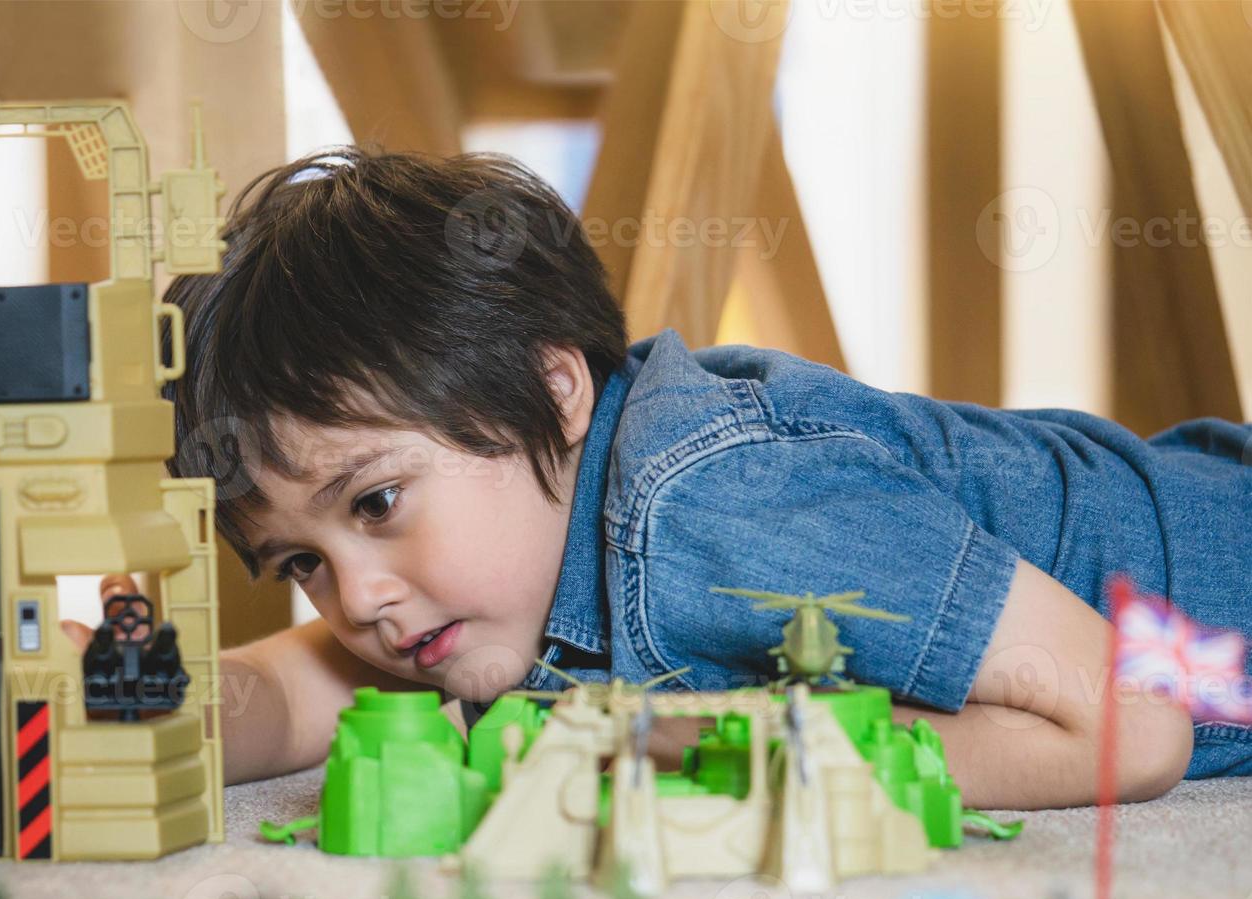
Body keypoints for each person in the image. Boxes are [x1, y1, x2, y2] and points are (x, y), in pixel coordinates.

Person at [64, 149, 1251, 809]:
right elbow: (309, 689)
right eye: (302, 561)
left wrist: (687, 745)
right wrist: (145, 695)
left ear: (557, 388)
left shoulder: (713, 501)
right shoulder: (486, 577)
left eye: (375, 503)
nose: (359, 597)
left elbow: (1133, 729)